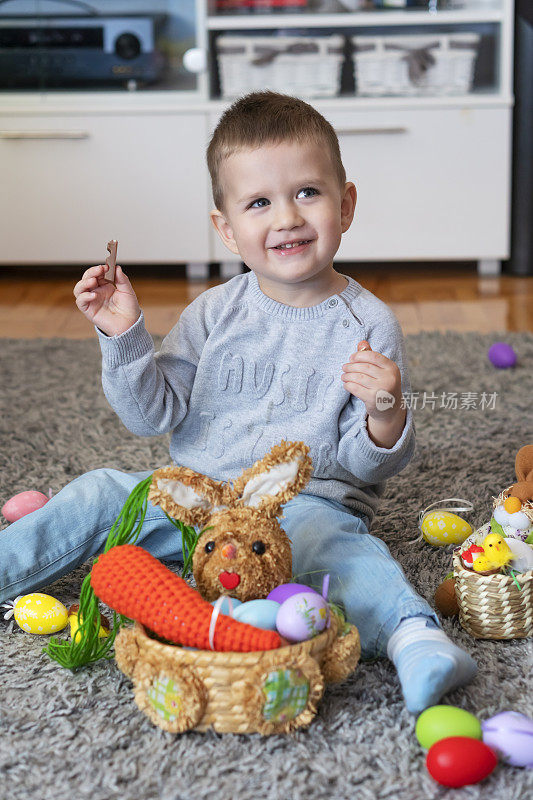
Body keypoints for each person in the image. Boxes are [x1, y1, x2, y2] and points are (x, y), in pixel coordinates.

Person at [1, 91, 475, 713]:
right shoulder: (215, 312)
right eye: (259, 202)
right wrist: (123, 336)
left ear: (347, 204)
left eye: (308, 193)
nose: (287, 218)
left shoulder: (368, 323)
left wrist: (386, 414)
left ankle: (417, 639)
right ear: (226, 227)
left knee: (341, 550)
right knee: (97, 493)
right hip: (193, 499)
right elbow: (152, 415)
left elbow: (366, 467)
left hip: (298, 507)